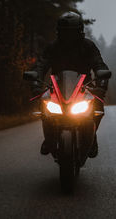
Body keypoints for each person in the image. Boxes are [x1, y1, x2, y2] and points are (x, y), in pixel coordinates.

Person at [32, 11, 110, 158]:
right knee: (44, 106)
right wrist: (36, 83)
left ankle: (92, 138)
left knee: (98, 108)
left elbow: (99, 64)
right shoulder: (53, 47)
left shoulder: (88, 46)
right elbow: (41, 65)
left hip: (84, 88)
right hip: (57, 88)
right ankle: (49, 139)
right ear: (59, 32)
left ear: (79, 31)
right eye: (65, 32)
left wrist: (101, 85)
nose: (68, 36)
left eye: (72, 32)